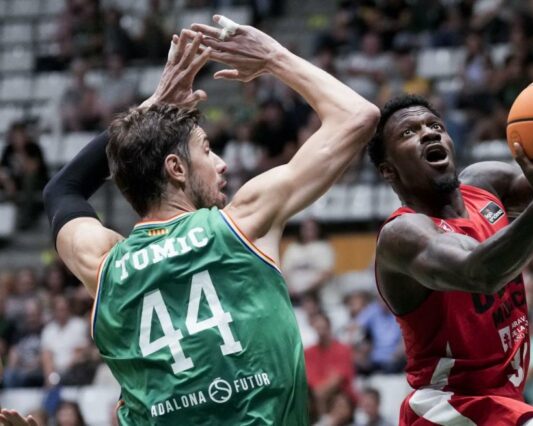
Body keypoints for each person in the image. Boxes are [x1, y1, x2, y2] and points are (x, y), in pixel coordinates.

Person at [38, 15, 378, 426]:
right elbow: (357, 116)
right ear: (176, 168)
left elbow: (61, 189)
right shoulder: (242, 224)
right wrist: (274, 56)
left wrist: (149, 116)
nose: (221, 164)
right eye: (206, 151)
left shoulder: (104, 264)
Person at [370, 43, 533, 426]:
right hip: (449, 408)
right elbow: (480, 273)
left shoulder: (486, 183)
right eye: (410, 132)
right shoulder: (402, 234)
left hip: (503, 402)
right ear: (389, 171)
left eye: (435, 126)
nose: (428, 134)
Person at [305, 312, 357, 413]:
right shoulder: (308, 352)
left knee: (340, 403)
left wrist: (318, 394)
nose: (321, 332)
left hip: (340, 395)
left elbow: (338, 379)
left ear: (329, 327)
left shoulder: (343, 349)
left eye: (323, 328)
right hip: (316, 397)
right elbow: (310, 378)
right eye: (318, 328)